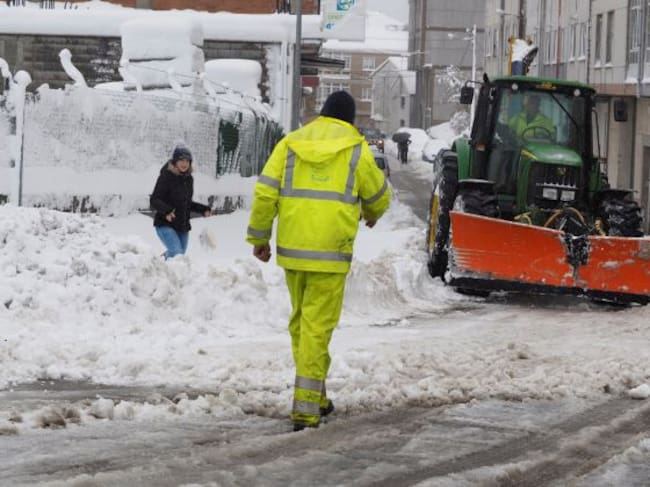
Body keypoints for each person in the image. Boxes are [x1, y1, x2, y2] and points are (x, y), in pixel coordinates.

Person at [246, 90, 391, 432]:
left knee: (300, 324)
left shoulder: (291, 142)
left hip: (293, 250)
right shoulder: (356, 148)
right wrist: (371, 213)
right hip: (330, 251)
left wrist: (259, 238)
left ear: (323, 113)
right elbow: (379, 195)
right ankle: (307, 409)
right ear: (350, 118)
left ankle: (318, 394)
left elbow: (265, 191)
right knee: (316, 328)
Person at [150, 144, 212, 259]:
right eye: (181, 160)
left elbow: (187, 203)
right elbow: (154, 199)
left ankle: (160, 262)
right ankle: (162, 264)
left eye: (187, 161)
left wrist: (203, 210)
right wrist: (167, 211)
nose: (184, 164)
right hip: (165, 224)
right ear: (175, 162)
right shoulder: (166, 177)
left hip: (182, 226)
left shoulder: (189, 179)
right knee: (177, 253)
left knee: (179, 256)